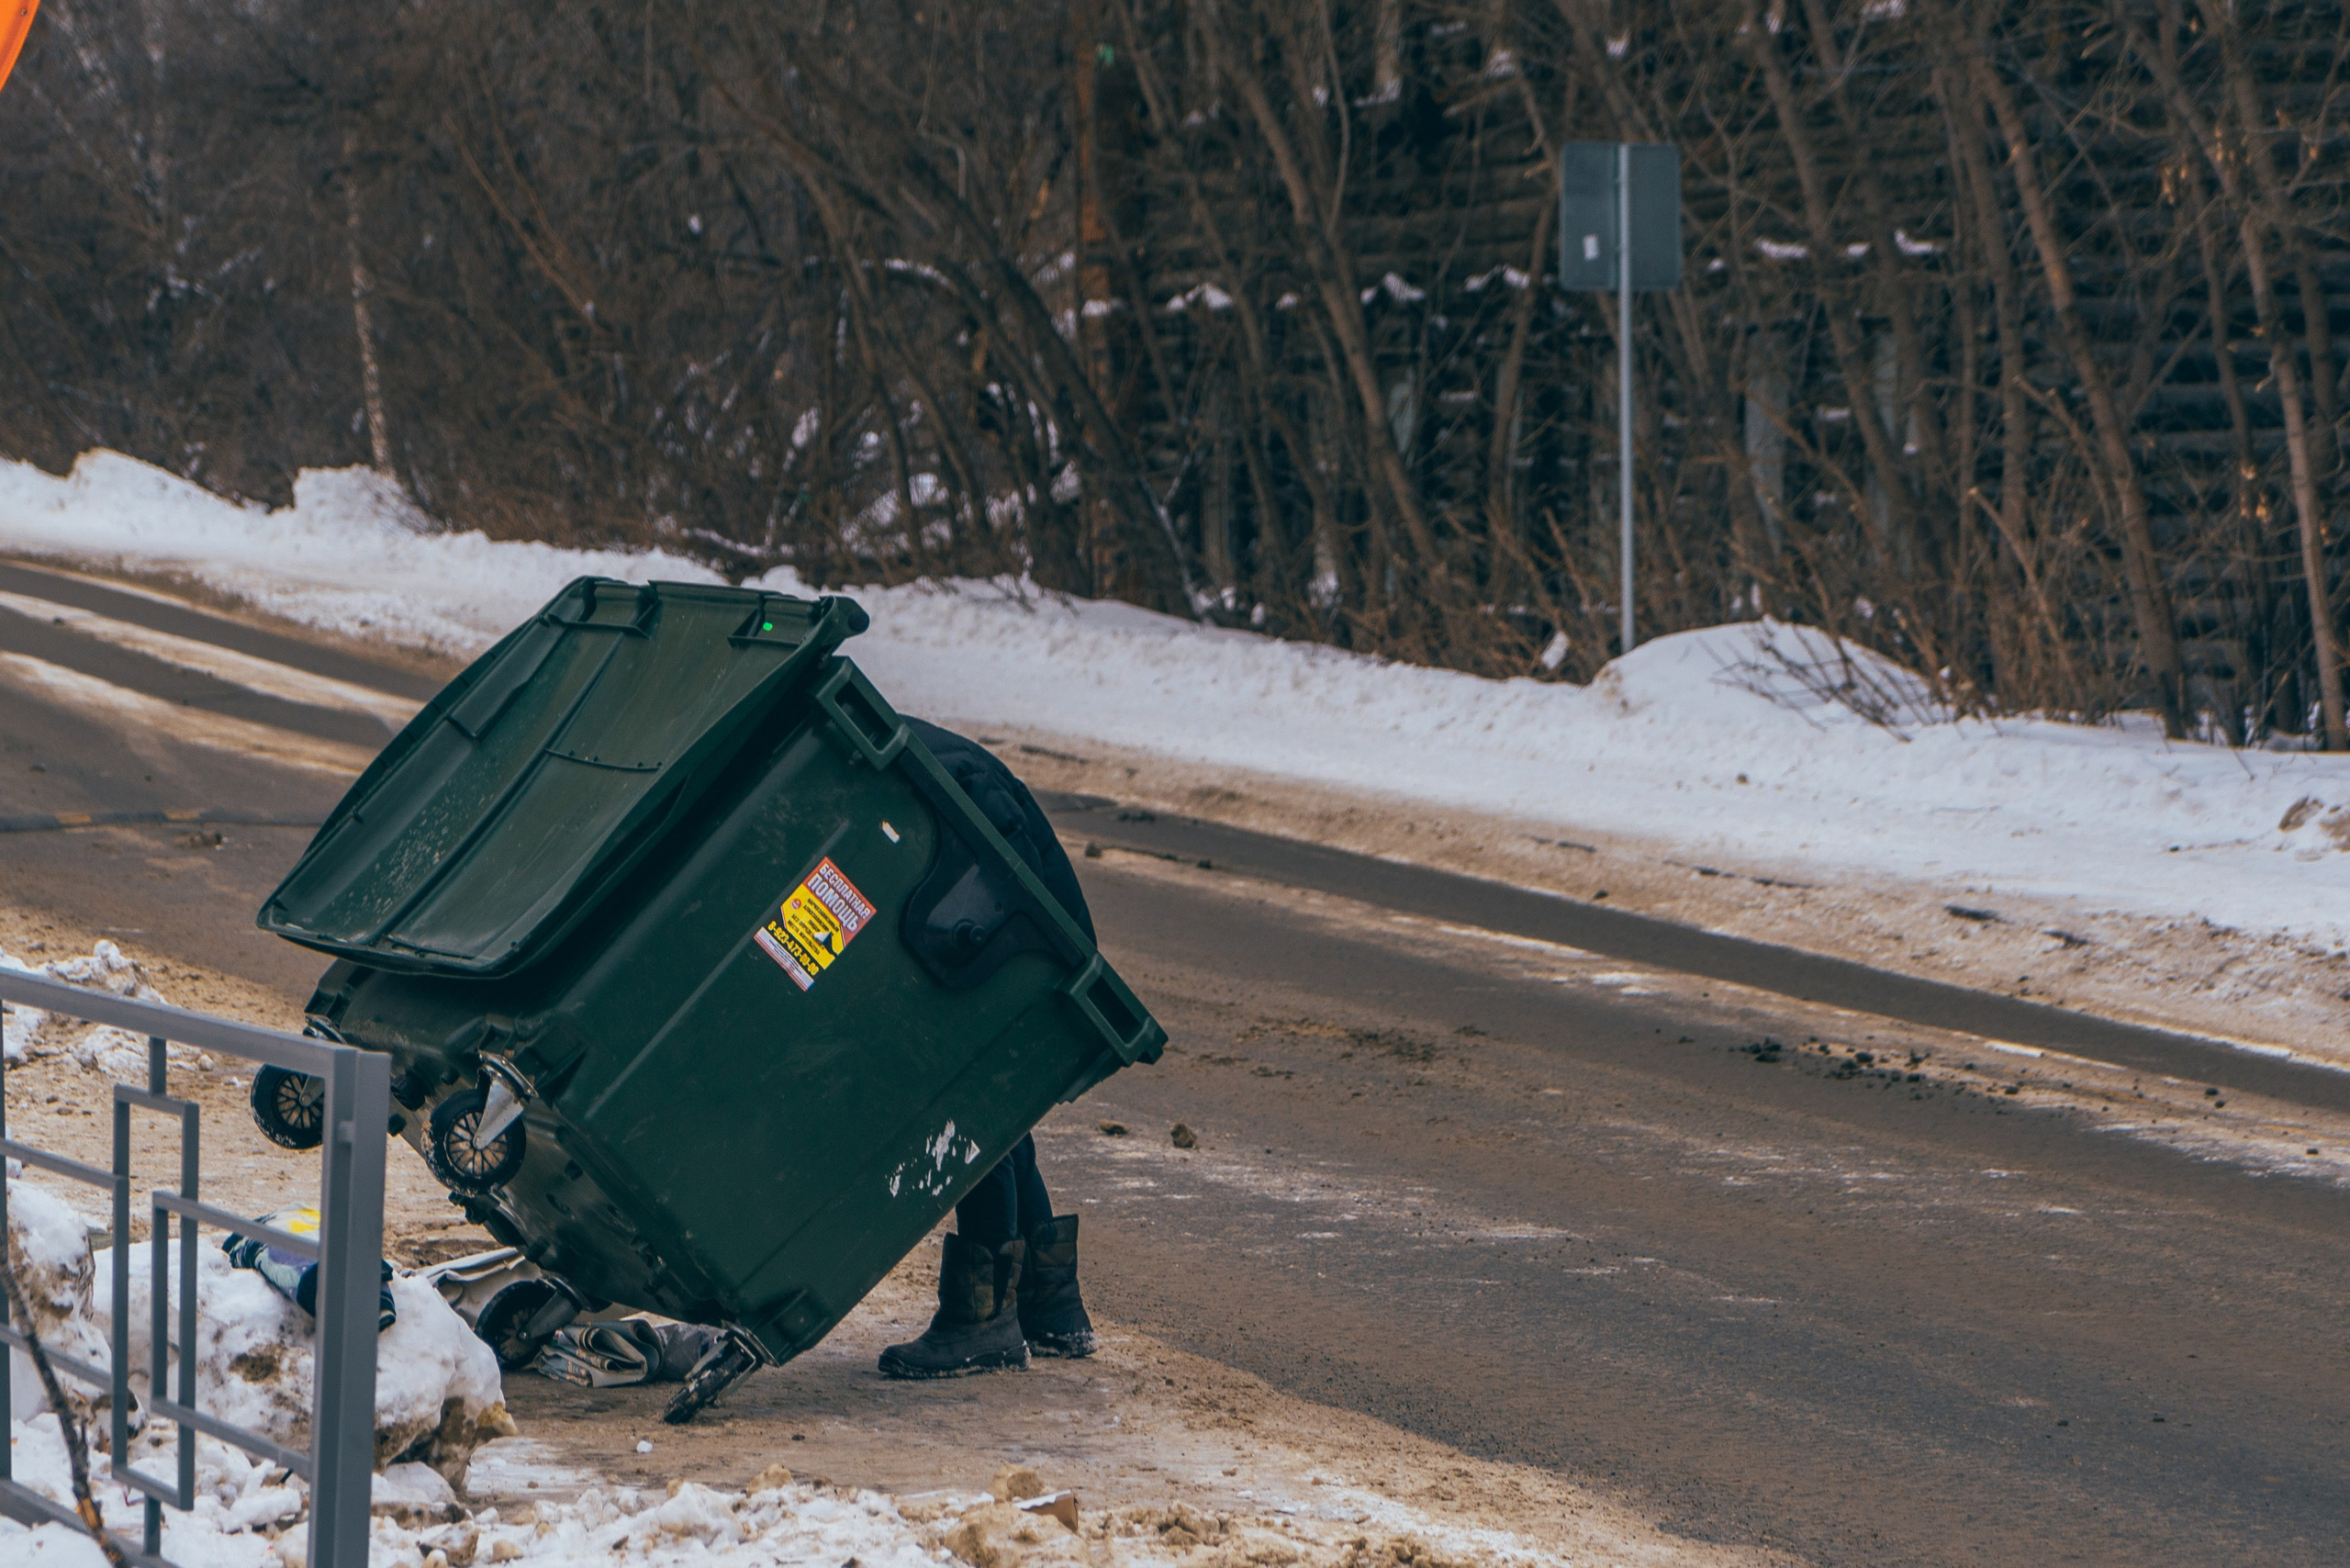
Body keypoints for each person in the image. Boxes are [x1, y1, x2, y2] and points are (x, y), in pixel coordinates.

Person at [877, 720, 1099, 1379]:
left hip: (1020, 936)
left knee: (975, 1105)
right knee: (998, 1109)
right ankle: (1052, 1306)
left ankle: (982, 1321)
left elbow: (1003, 864)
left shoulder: (927, 770)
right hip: (1020, 936)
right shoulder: (907, 750)